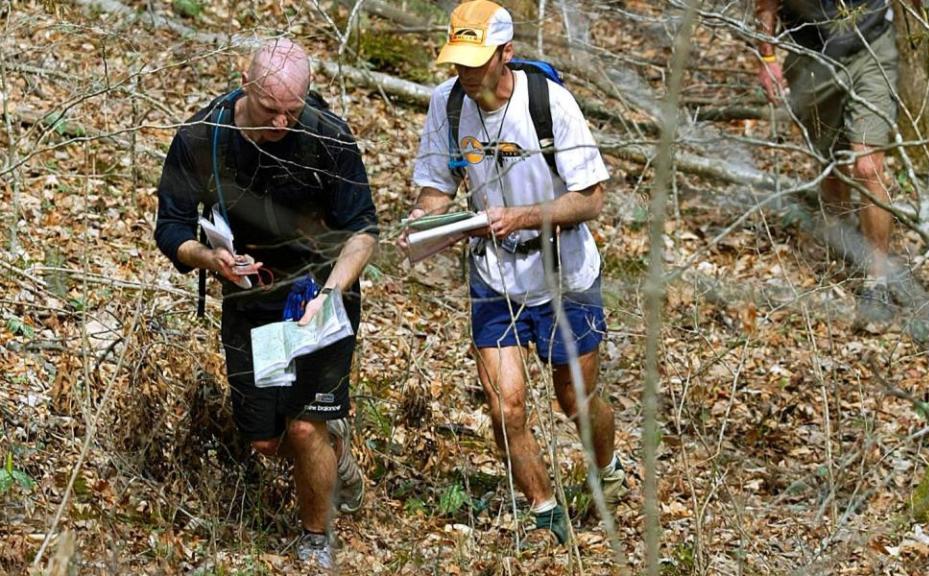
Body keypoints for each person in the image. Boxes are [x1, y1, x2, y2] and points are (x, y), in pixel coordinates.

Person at [407, 0, 626, 546]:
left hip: (563, 269)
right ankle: (544, 509)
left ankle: (608, 467)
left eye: (476, 60)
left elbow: (591, 198)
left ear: (506, 54)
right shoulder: (448, 104)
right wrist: (427, 218)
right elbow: (438, 185)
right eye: (458, 60)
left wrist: (523, 217)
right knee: (506, 404)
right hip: (493, 273)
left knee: (575, 399)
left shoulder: (548, 103)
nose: (465, 72)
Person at [154, 39, 377, 568]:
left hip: (319, 296)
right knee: (268, 441)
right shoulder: (202, 137)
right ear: (245, 83)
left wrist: (331, 293)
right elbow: (171, 228)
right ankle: (335, 452)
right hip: (251, 299)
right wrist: (211, 260)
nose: (281, 121)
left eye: (292, 110)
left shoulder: (328, 138)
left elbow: (364, 231)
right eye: (269, 108)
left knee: (305, 426)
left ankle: (315, 539)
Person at [755, 0, 918, 318]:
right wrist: (768, 58)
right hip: (812, 55)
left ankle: (877, 281)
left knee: (868, 166)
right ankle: (844, 241)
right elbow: (765, 4)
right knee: (831, 163)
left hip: (871, 47)